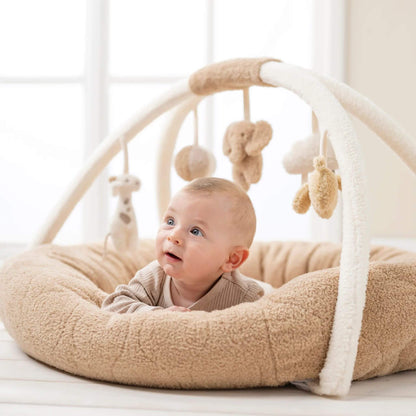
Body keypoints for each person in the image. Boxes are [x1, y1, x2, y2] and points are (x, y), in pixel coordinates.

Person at [101, 177, 273, 313]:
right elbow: (113, 305)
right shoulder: (154, 278)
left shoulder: (246, 296)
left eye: (195, 231)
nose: (174, 235)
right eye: (170, 221)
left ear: (232, 259)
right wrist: (154, 315)